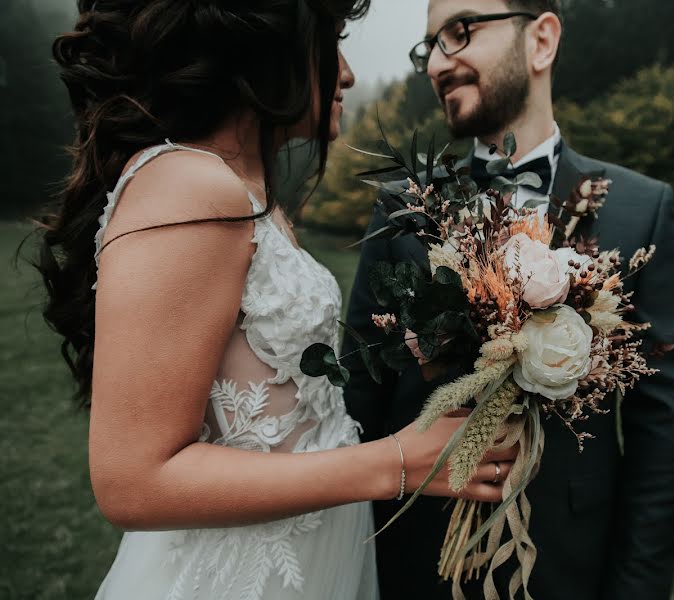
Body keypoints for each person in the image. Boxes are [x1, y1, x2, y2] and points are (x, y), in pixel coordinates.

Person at [34, 2, 516, 599]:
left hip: (306, 559)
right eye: (331, 42)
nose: (346, 73)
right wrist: (395, 462)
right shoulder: (191, 186)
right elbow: (133, 482)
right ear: (265, 48)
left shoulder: (242, 193)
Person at [343, 0, 674, 598]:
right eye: (428, 46)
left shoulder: (641, 212)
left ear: (541, 40)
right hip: (414, 558)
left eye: (458, 33)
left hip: (568, 560)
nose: (435, 64)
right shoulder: (403, 208)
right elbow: (360, 395)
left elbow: (661, 434)